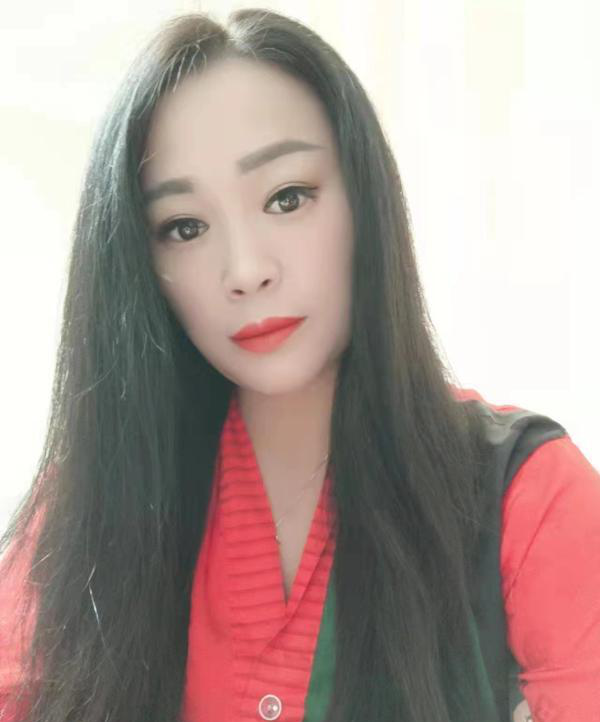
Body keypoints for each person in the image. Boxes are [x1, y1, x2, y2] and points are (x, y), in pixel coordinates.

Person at [1, 8, 599, 722]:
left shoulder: (528, 496)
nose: (245, 270)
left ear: (365, 199)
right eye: (185, 227)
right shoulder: (89, 509)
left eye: (287, 198)